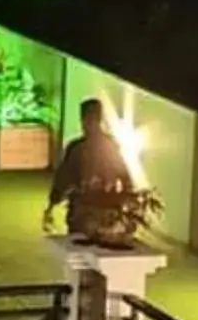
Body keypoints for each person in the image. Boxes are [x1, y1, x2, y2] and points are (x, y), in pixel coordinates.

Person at [44, 97, 132, 239]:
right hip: (97, 210)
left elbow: (63, 177)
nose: (86, 125)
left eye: (88, 120)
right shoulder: (108, 145)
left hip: (90, 210)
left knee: (83, 250)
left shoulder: (80, 147)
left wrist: (52, 205)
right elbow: (124, 176)